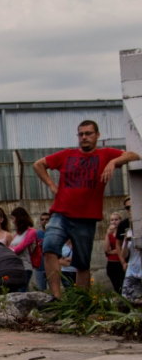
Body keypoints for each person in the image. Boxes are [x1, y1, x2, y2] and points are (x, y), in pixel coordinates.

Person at [33, 120, 140, 298]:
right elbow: (38, 164)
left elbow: (134, 155)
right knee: (50, 248)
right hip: (61, 213)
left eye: (88, 133)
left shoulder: (105, 154)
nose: (84, 137)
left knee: (82, 263)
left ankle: (80, 304)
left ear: (97, 135)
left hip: (86, 218)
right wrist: (52, 185)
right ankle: (56, 297)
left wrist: (114, 162)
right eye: (81, 134)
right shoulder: (67, 155)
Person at [8, 207, 38, 292]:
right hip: (15, 267)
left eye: (13, 218)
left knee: (21, 291)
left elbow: (21, 247)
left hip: (24, 267)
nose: (12, 221)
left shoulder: (31, 232)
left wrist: (11, 250)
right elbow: (11, 247)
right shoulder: (17, 234)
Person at [121, 219, 141, 302]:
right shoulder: (129, 238)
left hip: (140, 267)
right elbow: (124, 255)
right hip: (132, 268)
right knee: (125, 297)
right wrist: (125, 242)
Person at [104, 211, 125, 293]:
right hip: (111, 264)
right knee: (117, 288)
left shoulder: (123, 232)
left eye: (116, 219)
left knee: (123, 287)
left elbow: (122, 248)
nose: (114, 222)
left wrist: (113, 251)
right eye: (112, 220)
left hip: (121, 262)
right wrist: (107, 235)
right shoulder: (110, 234)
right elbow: (106, 250)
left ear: (120, 220)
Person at [33, 212, 50, 291]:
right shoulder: (37, 234)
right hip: (39, 268)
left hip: (51, 267)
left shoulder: (52, 234)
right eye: (42, 219)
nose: (44, 221)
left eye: (47, 219)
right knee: (40, 292)